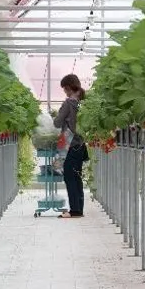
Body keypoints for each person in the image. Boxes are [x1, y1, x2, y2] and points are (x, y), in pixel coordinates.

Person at [53, 73, 89, 219]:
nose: (64, 92)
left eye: (64, 89)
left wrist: (58, 115)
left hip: (69, 144)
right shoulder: (83, 102)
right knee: (77, 177)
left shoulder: (69, 103)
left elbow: (57, 122)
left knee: (70, 177)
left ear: (68, 87)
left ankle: (74, 211)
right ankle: (78, 208)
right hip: (80, 144)